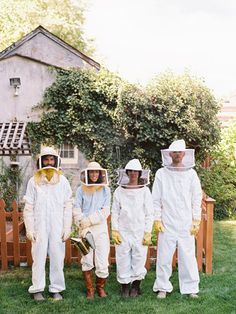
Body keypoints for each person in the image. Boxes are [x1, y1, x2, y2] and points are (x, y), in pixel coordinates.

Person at [152, 139, 202, 299]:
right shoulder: (161, 173)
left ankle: (191, 287)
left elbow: (196, 197)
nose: (177, 154)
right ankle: (162, 287)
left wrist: (196, 220)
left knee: (188, 256)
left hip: (186, 222)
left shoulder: (191, 174)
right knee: (164, 256)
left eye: (180, 152)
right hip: (167, 222)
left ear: (184, 154)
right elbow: (156, 199)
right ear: (170, 154)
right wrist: (157, 219)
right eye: (174, 152)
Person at [23, 147, 73, 301]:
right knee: (38, 257)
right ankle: (37, 289)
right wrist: (30, 228)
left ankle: (56, 289)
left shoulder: (63, 181)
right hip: (40, 225)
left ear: (56, 161)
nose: (49, 162)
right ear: (41, 161)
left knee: (58, 257)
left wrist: (66, 227)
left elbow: (68, 205)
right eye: (46, 159)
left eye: (52, 159)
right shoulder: (34, 181)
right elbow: (29, 207)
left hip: (57, 225)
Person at [111, 159, 154, 298]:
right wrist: (115, 229)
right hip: (123, 230)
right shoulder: (119, 191)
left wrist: (148, 232)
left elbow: (149, 213)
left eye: (136, 171)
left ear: (140, 173)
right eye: (131, 171)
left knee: (139, 257)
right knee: (122, 257)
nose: (133, 174)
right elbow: (115, 212)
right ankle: (124, 287)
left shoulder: (145, 191)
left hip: (140, 230)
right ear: (127, 173)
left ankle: (135, 286)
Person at [73, 161, 111, 300]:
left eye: (97, 172)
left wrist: (91, 220)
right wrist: (83, 222)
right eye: (92, 172)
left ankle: (100, 288)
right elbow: (76, 207)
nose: (94, 175)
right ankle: (90, 290)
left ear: (100, 174)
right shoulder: (80, 190)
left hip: (100, 227)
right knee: (87, 258)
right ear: (87, 174)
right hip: (85, 228)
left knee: (102, 259)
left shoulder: (106, 190)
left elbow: (105, 210)